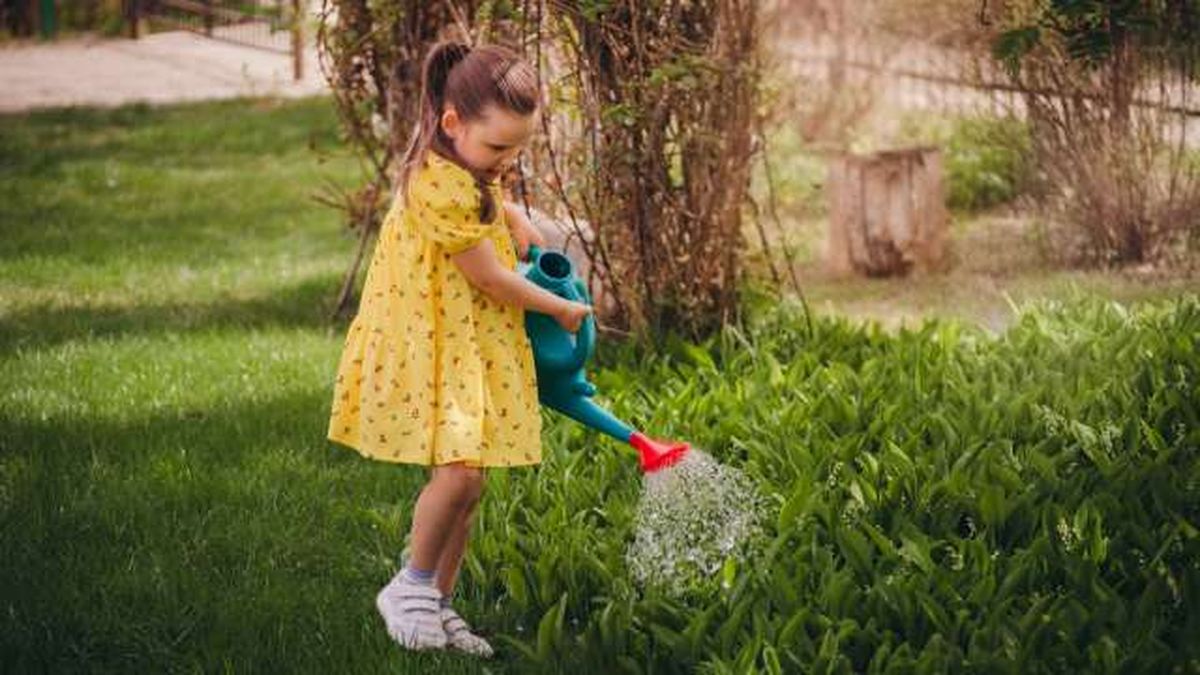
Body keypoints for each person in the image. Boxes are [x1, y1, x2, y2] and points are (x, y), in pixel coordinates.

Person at [326, 41, 592, 657]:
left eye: (517, 149)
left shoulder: (470, 170)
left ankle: (438, 604)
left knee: (471, 485)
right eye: (498, 147)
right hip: (433, 344)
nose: (506, 160)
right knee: (458, 474)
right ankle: (410, 588)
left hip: (464, 341)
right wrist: (558, 307)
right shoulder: (437, 186)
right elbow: (490, 278)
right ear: (452, 123)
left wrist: (515, 216)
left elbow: (488, 200)